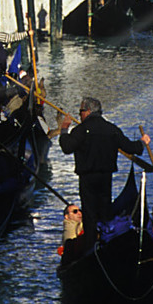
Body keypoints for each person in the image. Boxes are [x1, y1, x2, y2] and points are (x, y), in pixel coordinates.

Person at [58, 94, 145, 227]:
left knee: (90, 214)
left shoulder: (80, 130)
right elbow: (131, 147)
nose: (79, 115)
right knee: (105, 212)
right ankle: (106, 238)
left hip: (87, 178)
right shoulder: (111, 129)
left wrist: (64, 129)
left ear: (87, 111)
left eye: (81, 111)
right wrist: (142, 142)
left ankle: (92, 241)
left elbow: (67, 147)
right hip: (105, 177)